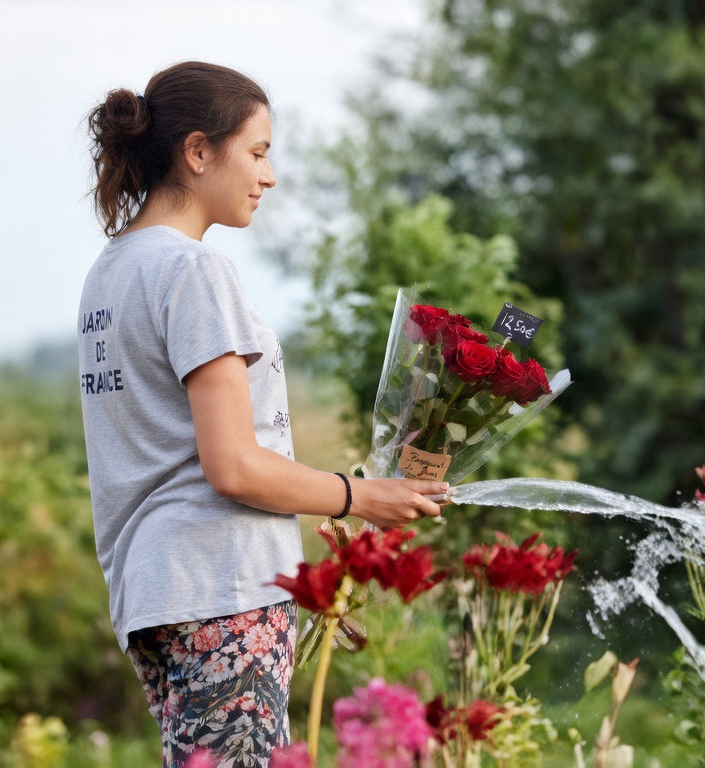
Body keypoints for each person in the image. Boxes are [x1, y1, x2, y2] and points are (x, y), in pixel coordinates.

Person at [80, 61, 447, 767]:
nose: (268, 175)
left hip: (154, 592)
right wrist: (359, 496)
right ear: (197, 152)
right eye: (256, 152)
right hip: (223, 586)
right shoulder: (193, 271)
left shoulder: (111, 270)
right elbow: (233, 465)